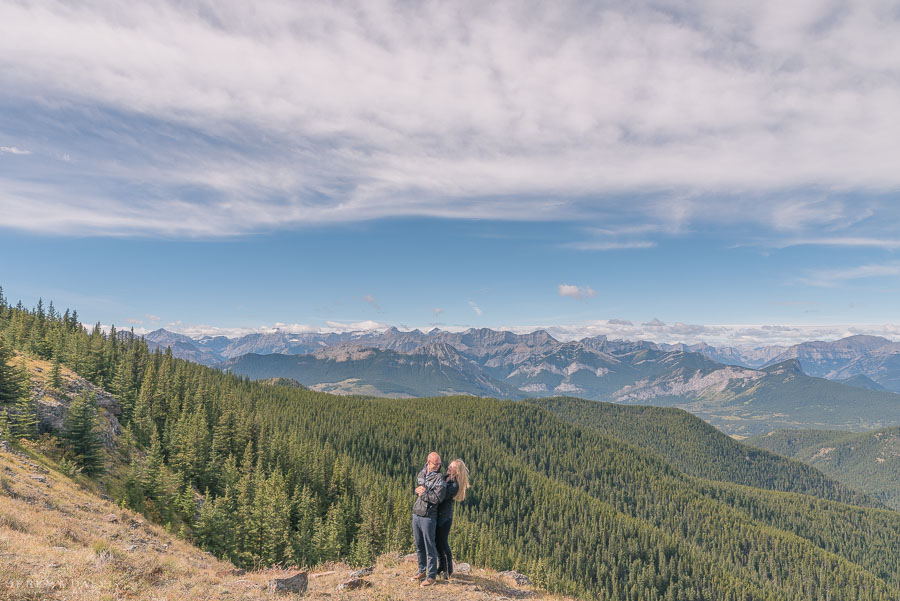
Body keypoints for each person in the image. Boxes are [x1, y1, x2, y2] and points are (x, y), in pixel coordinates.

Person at [411, 451, 446, 587]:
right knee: (419, 545)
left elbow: (437, 498)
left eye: (440, 464)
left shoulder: (440, 479)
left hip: (428, 517)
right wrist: (416, 491)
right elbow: (418, 489)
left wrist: (423, 493)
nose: (438, 466)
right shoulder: (422, 473)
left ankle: (431, 576)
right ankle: (422, 571)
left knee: (429, 546)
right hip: (417, 513)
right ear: (428, 462)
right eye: (436, 464)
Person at [435, 458, 470, 581]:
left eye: (452, 467)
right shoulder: (446, 478)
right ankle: (441, 566)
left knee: (443, 543)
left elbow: (442, 496)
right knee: (437, 542)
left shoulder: (454, 485)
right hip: (439, 515)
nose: (449, 468)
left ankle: (449, 570)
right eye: (449, 466)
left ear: (457, 471)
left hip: (445, 517)